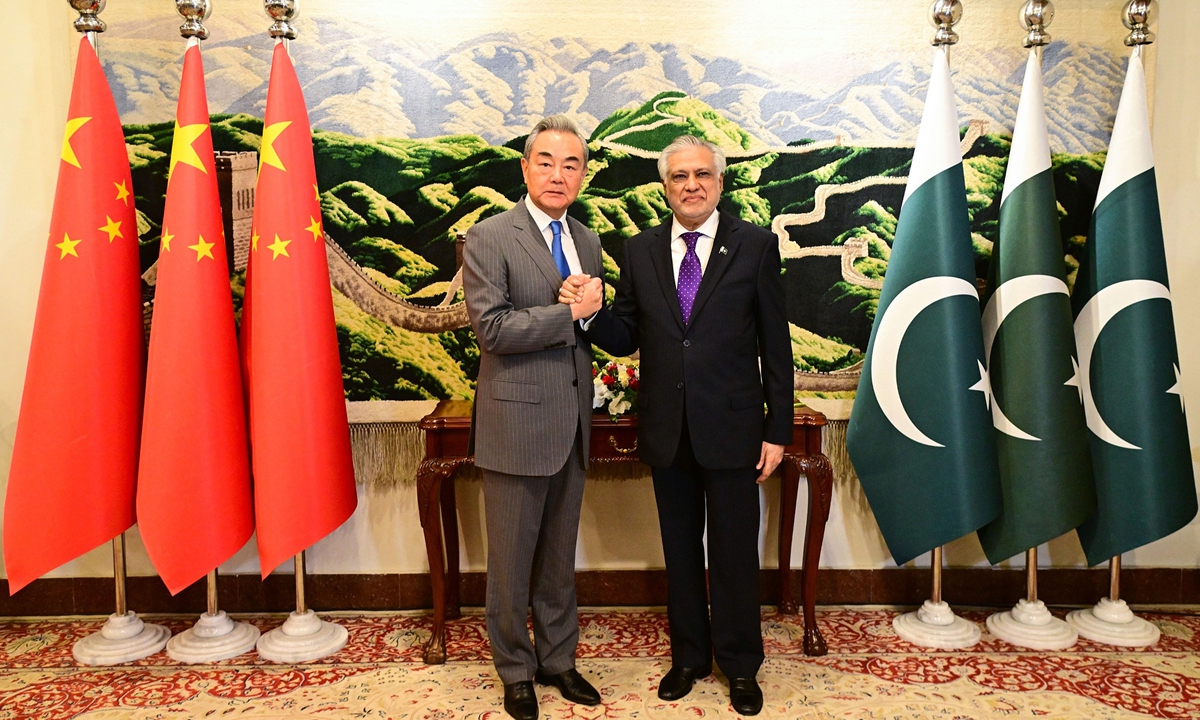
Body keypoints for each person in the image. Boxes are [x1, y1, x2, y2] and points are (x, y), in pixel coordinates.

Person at [560, 134, 793, 716]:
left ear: (720, 182)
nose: (691, 185)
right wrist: (590, 316)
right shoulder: (639, 251)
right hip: (668, 429)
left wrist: (778, 429)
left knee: (735, 552)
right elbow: (628, 334)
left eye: (702, 175)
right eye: (679, 176)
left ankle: (740, 665)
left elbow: (776, 346)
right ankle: (689, 657)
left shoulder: (755, 246)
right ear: (665, 187)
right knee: (681, 549)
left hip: (737, 429)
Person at [462, 114, 606, 720]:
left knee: (557, 555)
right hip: (516, 426)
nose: (557, 174)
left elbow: (588, 329)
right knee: (511, 561)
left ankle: (558, 660)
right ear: (525, 168)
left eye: (570, 163)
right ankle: (515, 670)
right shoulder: (490, 237)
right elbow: (492, 330)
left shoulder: (588, 240)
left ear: (582, 175)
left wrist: (592, 315)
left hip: (572, 425)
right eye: (545, 161)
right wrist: (568, 315)